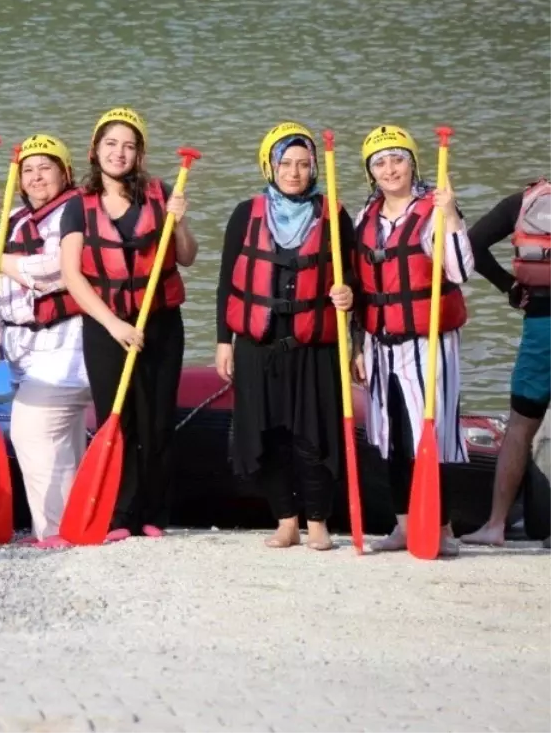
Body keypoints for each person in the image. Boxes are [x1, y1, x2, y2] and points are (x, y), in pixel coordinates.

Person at [59, 107, 197, 541]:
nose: (119, 153)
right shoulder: (77, 208)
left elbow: (188, 256)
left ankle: (153, 514)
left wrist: (180, 221)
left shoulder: (162, 193)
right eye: (111, 144)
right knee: (117, 421)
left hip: (160, 324)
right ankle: (119, 514)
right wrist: (114, 324)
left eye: (129, 146)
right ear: (95, 151)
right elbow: (72, 275)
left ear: (139, 155)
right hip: (106, 328)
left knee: (157, 421)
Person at [216, 123, 355, 550]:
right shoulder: (246, 213)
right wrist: (224, 341)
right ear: (270, 166)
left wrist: (348, 295)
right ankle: (286, 520)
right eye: (285, 164)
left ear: (314, 167)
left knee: (313, 437)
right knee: (268, 435)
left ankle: (317, 521)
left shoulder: (335, 215)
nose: (294, 173)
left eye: (302, 164)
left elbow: (353, 279)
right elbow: (227, 282)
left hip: (315, 346)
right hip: (258, 346)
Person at [0, 134, 90, 548]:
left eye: (45, 168)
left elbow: (52, 269)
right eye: (28, 170)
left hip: (65, 350)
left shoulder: (75, 212)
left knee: (32, 434)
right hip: (24, 352)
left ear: (65, 173)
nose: (35, 177)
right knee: (61, 442)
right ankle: (74, 527)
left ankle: (51, 532)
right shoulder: (15, 218)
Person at [351, 125, 473, 557]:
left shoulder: (433, 209)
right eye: (380, 162)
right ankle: (403, 526)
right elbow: (361, 286)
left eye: (397, 159)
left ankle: (442, 529)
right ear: (371, 172)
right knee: (394, 438)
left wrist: (453, 213)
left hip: (428, 343)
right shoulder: (366, 218)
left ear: (413, 163)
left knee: (432, 436)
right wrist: (357, 345)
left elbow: (459, 271)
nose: (390, 169)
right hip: (381, 342)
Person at [461, 178, 551, 546]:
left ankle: (496, 525)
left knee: (519, 426)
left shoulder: (527, 200)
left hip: (541, 324)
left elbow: (472, 244)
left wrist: (508, 287)